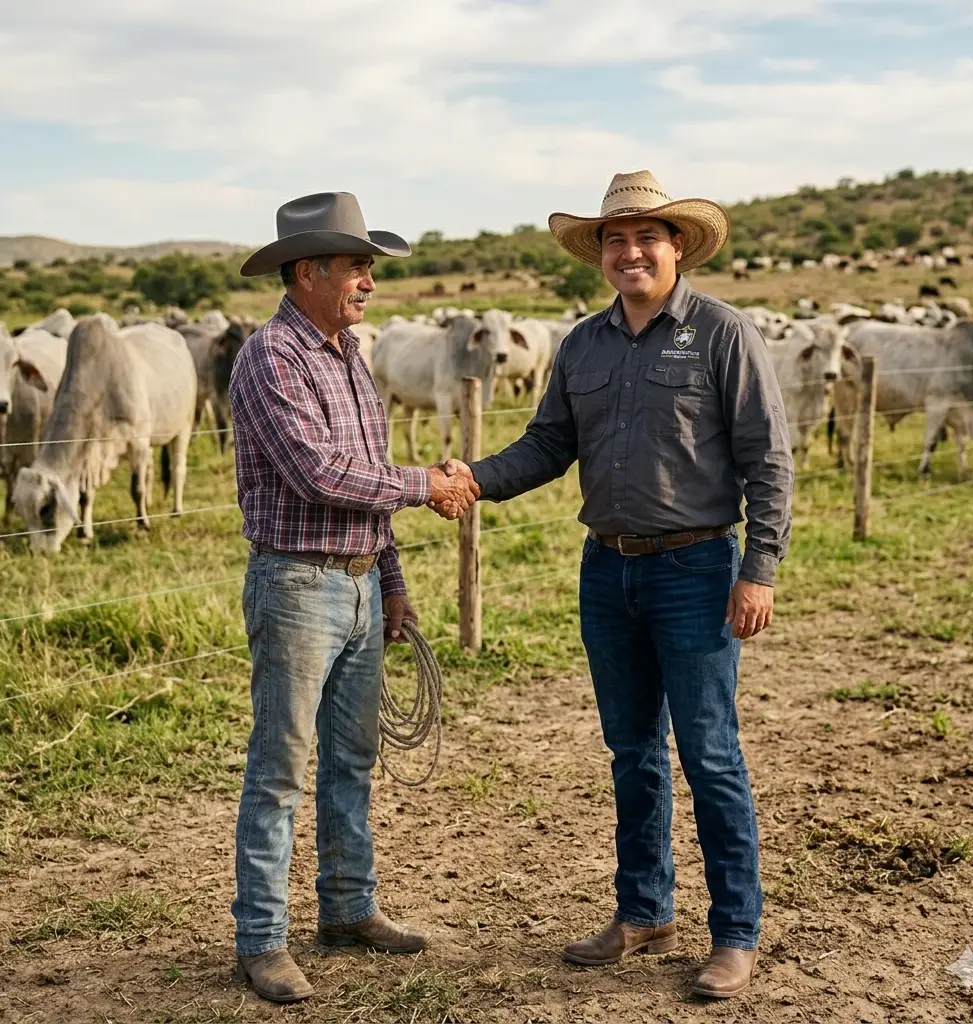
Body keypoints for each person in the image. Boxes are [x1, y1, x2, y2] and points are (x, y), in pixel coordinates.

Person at [444, 171, 794, 999]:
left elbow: (768, 459)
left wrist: (759, 570)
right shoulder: (582, 345)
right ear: (599, 253)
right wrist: (472, 478)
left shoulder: (722, 333)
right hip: (608, 569)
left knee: (708, 751)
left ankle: (734, 933)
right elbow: (547, 445)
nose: (630, 252)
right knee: (631, 750)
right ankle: (644, 912)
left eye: (645, 238)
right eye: (615, 240)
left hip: (696, 569)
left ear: (677, 248)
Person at [228, 192, 478, 1003]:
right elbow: (319, 472)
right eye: (356, 267)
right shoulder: (272, 357)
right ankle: (262, 939)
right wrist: (426, 485)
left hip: (360, 583)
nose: (369, 281)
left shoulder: (348, 355)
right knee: (281, 767)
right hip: (298, 585)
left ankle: (347, 907)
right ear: (308, 272)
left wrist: (392, 582)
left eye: (370, 267)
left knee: (351, 758)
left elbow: (364, 480)